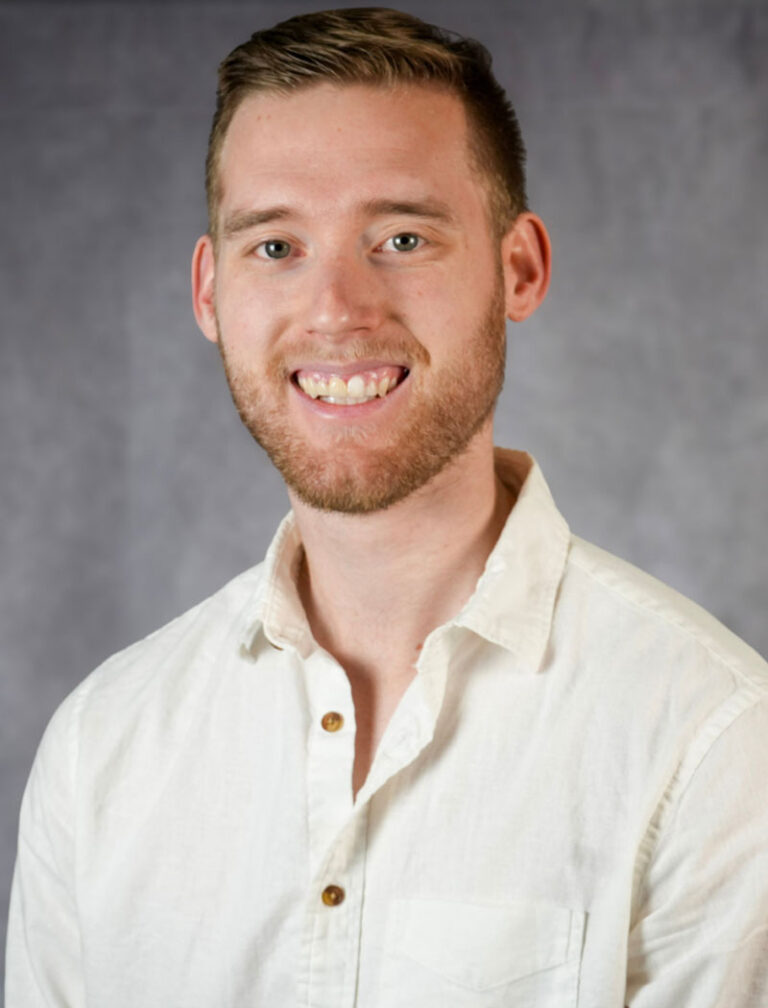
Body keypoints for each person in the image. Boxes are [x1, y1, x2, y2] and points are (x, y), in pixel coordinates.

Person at [6, 8, 768, 1007]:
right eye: (275, 247)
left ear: (519, 269)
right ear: (209, 294)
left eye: (401, 237)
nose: (335, 309)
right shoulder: (99, 748)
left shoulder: (710, 742)